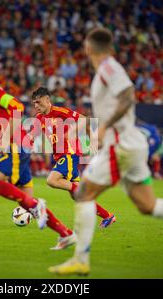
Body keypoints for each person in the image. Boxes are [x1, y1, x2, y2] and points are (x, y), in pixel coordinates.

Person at [49, 28, 163, 276]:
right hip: (130, 144)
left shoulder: (109, 68)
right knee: (147, 204)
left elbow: (128, 96)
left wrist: (106, 126)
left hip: (120, 144)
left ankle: (81, 259)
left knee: (82, 193)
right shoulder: (105, 71)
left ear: (88, 48)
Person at [0, 60, 75, 250]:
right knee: (29, 204)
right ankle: (65, 234)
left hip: (15, 145)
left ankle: (39, 206)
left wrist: (5, 140)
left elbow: (17, 107)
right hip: (20, 147)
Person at [31, 86, 116, 228]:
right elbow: (32, 134)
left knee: (52, 180)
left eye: (38, 102)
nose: (36, 106)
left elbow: (84, 120)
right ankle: (108, 216)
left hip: (69, 153)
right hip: (60, 156)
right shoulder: (39, 118)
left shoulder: (61, 112)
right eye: (34, 103)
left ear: (47, 99)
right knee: (78, 195)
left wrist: (93, 141)